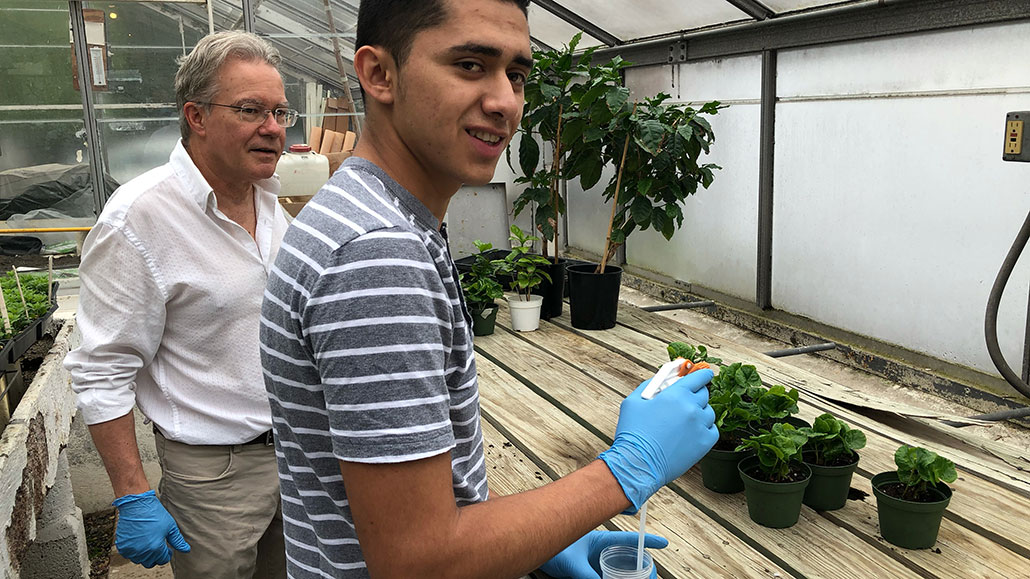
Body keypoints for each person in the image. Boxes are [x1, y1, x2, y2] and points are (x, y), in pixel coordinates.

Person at [259, 1, 718, 577]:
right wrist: (629, 468)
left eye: (517, 75)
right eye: (471, 65)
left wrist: (540, 541)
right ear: (380, 75)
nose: (505, 101)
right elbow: (418, 563)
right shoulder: (377, 253)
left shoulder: (373, 217)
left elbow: (404, 503)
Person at [65, 31, 294, 578]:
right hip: (216, 476)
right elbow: (102, 369)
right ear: (196, 116)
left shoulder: (270, 201)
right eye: (251, 110)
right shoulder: (139, 220)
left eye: (280, 111)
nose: (274, 128)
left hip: (299, 454)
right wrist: (131, 492)